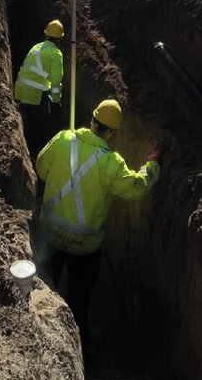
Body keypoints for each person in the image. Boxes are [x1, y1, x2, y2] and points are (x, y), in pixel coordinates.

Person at [35, 99, 161, 350]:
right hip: (85, 248)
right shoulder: (111, 164)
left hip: (49, 235)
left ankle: (42, 339)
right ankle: (80, 345)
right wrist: (152, 165)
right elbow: (137, 188)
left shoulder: (62, 139)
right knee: (79, 302)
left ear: (91, 120)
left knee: (45, 288)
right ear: (113, 133)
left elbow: (40, 167)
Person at [14, 20, 65, 158]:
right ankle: (34, 153)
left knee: (26, 123)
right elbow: (55, 81)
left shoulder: (36, 47)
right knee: (38, 127)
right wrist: (56, 100)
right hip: (34, 95)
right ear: (60, 39)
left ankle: (27, 147)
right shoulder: (56, 54)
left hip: (20, 90)